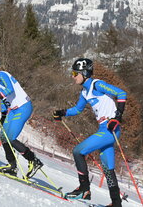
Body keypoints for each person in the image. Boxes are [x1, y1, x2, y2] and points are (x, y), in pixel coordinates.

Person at [53, 58, 126, 207]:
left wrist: (117, 117)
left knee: (78, 151)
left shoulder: (97, 84)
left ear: (84, 73)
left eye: (75, 73)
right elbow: (78, 109)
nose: (73, 76)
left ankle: (84, 189)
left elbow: (121, 94)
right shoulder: (85, 91)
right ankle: (116, 203)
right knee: (108, 168)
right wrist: (63, 112)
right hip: (103, 129)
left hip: (110, 129)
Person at [0, 55, 43, 178]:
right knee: (3, 136)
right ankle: (12, 166)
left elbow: (9, 90)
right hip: (13, 110)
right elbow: (5, 100)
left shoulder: (2, 75)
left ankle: (33, 160)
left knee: (10, 137)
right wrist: (3, 115)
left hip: (23, 107)